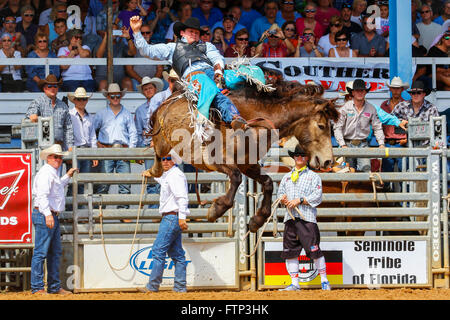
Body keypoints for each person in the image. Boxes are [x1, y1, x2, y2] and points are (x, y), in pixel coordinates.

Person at [130, 16, 248, 130]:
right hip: (194, 76)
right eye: (191, 31)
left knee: (247, 74)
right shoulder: (172, 48)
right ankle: (233, 117)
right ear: (182, 33)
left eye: (197, 32)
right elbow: (147, 50)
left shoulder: (207, 46)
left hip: (213, 72)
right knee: (210, 88)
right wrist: (136, 32)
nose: (194, 34)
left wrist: (218, 70)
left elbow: (217, 58)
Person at [277, 145, 331, 291]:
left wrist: (300, 200)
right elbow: (280, 193)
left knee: (314, 250)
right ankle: (295, 283)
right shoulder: (286, 177)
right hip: (290, 218)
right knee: (291, 251)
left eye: (302, 155)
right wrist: (284, 199)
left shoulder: (314, 177)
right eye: (297, 155)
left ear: (307, 158)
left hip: (307, 218)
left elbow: (317, 196)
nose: (299, 158)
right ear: (293, 157)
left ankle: (324, 281)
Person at [139, 150, 189, 293]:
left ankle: (153, 286)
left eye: (168, 159)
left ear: (174, 160)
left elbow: (182, 197)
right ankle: (180, 287)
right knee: (177, 253)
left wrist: (182, 218)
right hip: (173, 216)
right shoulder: (172, 175)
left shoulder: (175, 175)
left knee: (158, 251)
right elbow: (165, 182)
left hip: (172, 217)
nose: (165, 162)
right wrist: (153, 175)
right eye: (163, 159)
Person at [30, 144, 78, 295]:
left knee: (53, 252)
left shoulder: (51, 173)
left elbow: (55, 189)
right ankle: (38, 287)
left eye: (60, 157)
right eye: (55, 157)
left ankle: (53, 286)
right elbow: (42, 195)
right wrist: (48, 214)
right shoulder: (47, 173)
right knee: (42, 252)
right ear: (48, 158)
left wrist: (67, 176)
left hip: (49, 215)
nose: (58, 159)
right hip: (47, 214)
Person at [94, 83, 138, 211]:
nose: (115, 98)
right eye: (112, 96)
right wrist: (97, 144)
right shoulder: (101, 114)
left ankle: (123, 211)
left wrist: (130, 151)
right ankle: (99, 211)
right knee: (103, 183)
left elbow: (133, 133)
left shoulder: (127, 114)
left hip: (123, 150)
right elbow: (92, 131)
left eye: (117, 96)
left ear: (120, 97)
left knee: (125, 183)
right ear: (108, 97)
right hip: (106, 150)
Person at [333, 79, 385, 172]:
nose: (360, 93)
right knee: (347, 172)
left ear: (365, 92)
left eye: (362, 90)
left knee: (366, 170)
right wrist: (342, 144)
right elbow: (337, 127)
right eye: (357, 91)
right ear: (352, 93)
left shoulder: (371, 108)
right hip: (347, 144)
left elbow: (377, 127)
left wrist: (381, 144)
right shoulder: (345, 108)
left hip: (363, 144)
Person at [135, 77, 164, 207]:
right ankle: (153, 209)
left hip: (162, 146)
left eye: (150, 88)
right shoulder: (140, 110)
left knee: (163, 178)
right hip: (148, 145)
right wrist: (140, 150)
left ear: (155, 89)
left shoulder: (162, 105)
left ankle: (162, 208)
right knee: (151, 178)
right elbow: (138, 131)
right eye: (145, 89)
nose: (148, 90)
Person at [25, 74, 74, 151]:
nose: (53, 88)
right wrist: (33, 116)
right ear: (44, 88)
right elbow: (31, 116)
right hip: (42, 147)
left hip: (59, 147)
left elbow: (68, 128)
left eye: (55, 86)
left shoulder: (63, 106)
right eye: (50, 86)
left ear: (57, 88)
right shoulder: (38, 102)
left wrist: (70, 147)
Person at [380, 77, 409, 173]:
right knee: (386, 175)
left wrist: (407, 139)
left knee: (404, 175)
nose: (396, 91)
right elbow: (379, 124)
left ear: (402, 89)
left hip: (402, 143)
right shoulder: (384, 105)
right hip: (388, 143)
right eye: (394, 88)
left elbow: (411, 125)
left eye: (398, 88)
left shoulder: (407, 106)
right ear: (390, 89)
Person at [95, 25, 135, 91]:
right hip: (102, 77)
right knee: (103, 84)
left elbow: (133, 52)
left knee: (127, 82)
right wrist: (106, 37)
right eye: (111, 31)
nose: (113, 33)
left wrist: (128, 38)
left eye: (115, 31)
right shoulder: (99, 44)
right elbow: (99, 56)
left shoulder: (121, 45)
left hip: (119, 78)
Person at [125, 23, 163, 92]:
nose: (145, 35)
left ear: (151, 33)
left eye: (147, 33)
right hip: (137, 81)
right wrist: (142, 81)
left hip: (153, 82)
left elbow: (160, 69)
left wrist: (152, 82)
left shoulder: (156, 48)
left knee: (166, 83)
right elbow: (129, 69)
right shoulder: (133, 48)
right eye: (142, 33)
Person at [57, 28, 96, 92]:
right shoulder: (62, 49)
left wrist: (78, 44)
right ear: (70, 38)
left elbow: (84, 55)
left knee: (90, 96)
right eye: (76, 37)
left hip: (86, 78)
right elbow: (64, 66)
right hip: (69, 79)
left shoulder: (85, 47)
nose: (79, 39)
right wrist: (72, 53)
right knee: (74, 96)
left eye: (80, 38)